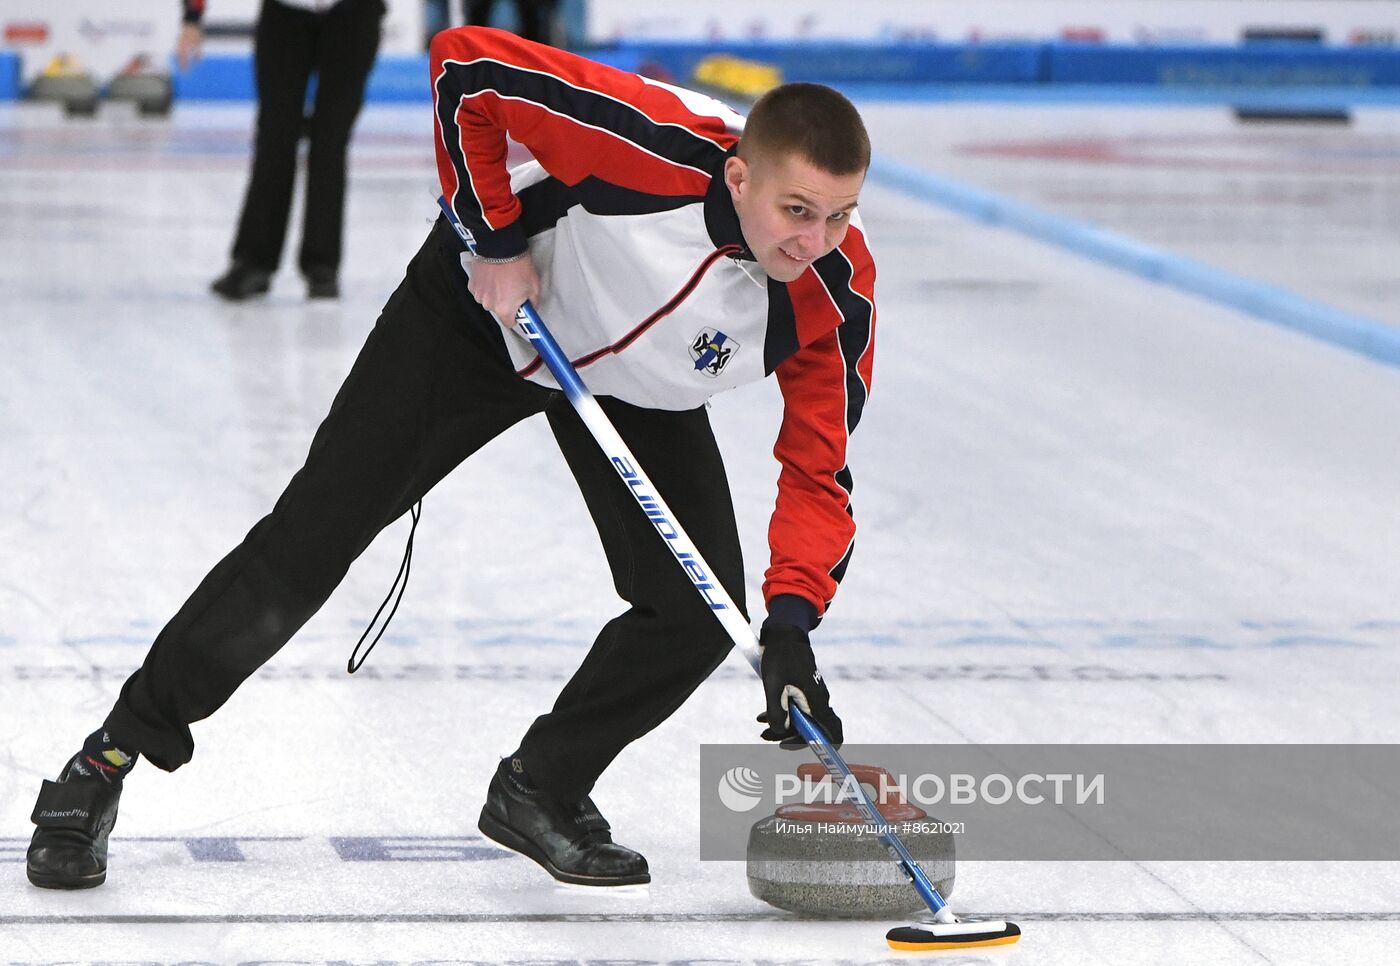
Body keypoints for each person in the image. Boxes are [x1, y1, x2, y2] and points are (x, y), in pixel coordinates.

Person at [26, 26, 874, 891]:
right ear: (740, 175)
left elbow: (819, 466)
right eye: (795, 211)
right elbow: (469, 66)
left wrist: (792, 626)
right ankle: (107, 759)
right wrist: (498, 240)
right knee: (307, 546)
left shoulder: (833, 292)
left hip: (629, 380)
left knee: (698, 607)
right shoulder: (643, 138)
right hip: (489, 315)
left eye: (839, 214)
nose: (814, 239)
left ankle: (541, 788)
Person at [178, 0, 385, 302]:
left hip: (354, 14)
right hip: (285, 15)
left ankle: (322, 266)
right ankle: (253, 261)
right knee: (275, 137)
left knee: (330, 141)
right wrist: (192, 16)